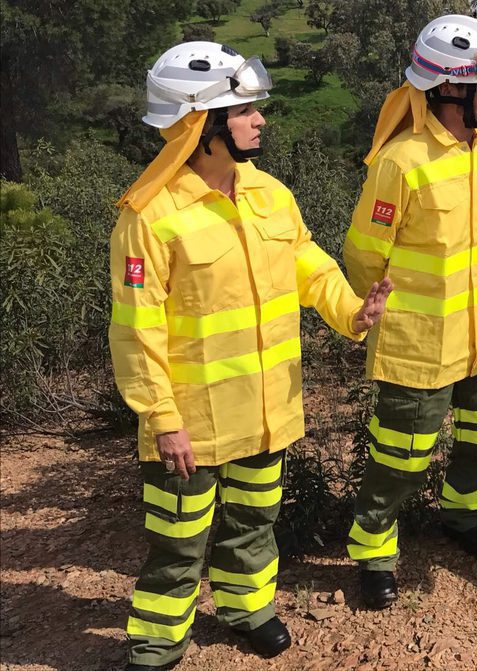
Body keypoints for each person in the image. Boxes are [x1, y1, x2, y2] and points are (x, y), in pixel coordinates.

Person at [109, 41, 392, 670]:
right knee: (179, 544)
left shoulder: (269, 193)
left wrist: (352, 310)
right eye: (242, 110)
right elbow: (136, 330)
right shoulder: (150, 218)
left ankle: (247, 609)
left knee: (254, 522)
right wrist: (162, 419)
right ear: (200, 124)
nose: (260, 120)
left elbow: (307, 263)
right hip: (192, 426)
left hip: (267, 411)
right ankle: (157, 641)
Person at [341, 14, 477, 609]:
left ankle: (463, 519)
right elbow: (364, 254)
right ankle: (373, 550)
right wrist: (378, 320)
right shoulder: (401, 162)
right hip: (417, 345)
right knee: (400, 456)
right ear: (449, 90)